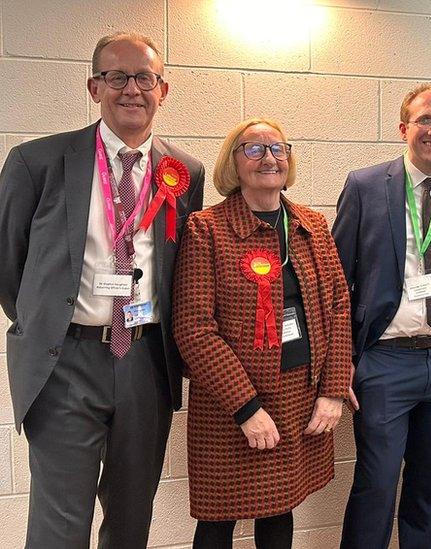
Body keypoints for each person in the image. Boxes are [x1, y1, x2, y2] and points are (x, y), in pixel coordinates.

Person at [0, 32, 204, 547]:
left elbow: (181, 270)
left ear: (164, 89)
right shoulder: (36, 163)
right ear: (95, 87)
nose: (131, 89)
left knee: (132, 518)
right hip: (63, 361)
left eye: (144, 78)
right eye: (117, 77)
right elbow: (9, 269)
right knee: (59, 525)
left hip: (144, 362)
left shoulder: (185, 173)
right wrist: (48, 323)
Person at [172, 117, 352, 548]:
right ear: (234, 162)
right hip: (229, 407)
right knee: (218, 521)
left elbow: (339, 308)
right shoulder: (206, 229)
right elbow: (194, 328)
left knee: (279, 510)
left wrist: (333, 390)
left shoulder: (312, 225)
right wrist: (247, 408)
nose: (269, 158)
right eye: (253, 149)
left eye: (278, 149)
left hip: (298, 398)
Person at [333, 83, 431, 549]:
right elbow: (338, 279)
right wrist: (340, 358)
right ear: (404, 128)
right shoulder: (365, 185)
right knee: (376, 486)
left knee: (428, 489)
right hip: (383, 363)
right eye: (424, 120)